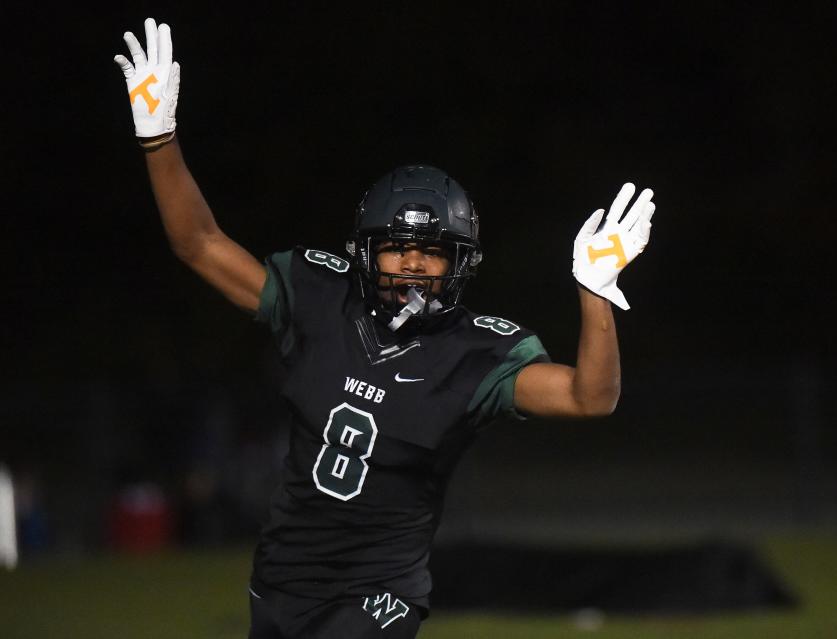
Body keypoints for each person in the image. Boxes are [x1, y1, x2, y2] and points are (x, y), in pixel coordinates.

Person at [114, 18, 658, 639]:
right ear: (365, 253)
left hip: (380, 592)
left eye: (432, 252)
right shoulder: (321, 298)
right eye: (397, 248)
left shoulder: (474, 352)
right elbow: (199, 244)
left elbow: (593, 397)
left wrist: (594, 293)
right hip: (283, 577)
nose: (414, 264)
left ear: (460, 264)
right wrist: (159, 139)